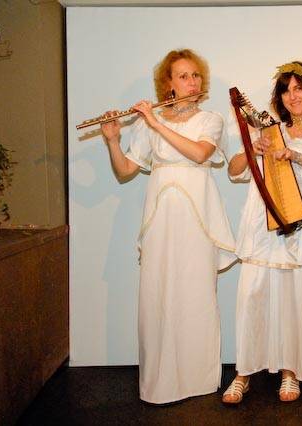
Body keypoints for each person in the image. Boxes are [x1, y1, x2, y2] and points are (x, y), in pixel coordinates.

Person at [100, 49, 235, 404]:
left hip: (197, 218)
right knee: (158, 292)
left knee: (196, 291)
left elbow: (200, 154)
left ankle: (198, 379)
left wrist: (155, 122)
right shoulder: (150, 122)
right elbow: (126, 170)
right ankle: (160, 381)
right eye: (183, 76)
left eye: (195, 75)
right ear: (169, 84)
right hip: (160, 218)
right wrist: (114, 140)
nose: (192, 81)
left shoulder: (212, 119)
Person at [222, 61, 302, 404]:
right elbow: (233, 171)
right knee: (252, 298)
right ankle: (244, 372)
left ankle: (290, 372)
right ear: (280, 98)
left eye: (299, 88)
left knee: (295, 302)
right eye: (286, 90)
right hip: (263, 230)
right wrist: (251, 150)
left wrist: (297, 156)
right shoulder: (269, 132)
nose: (293, 96)